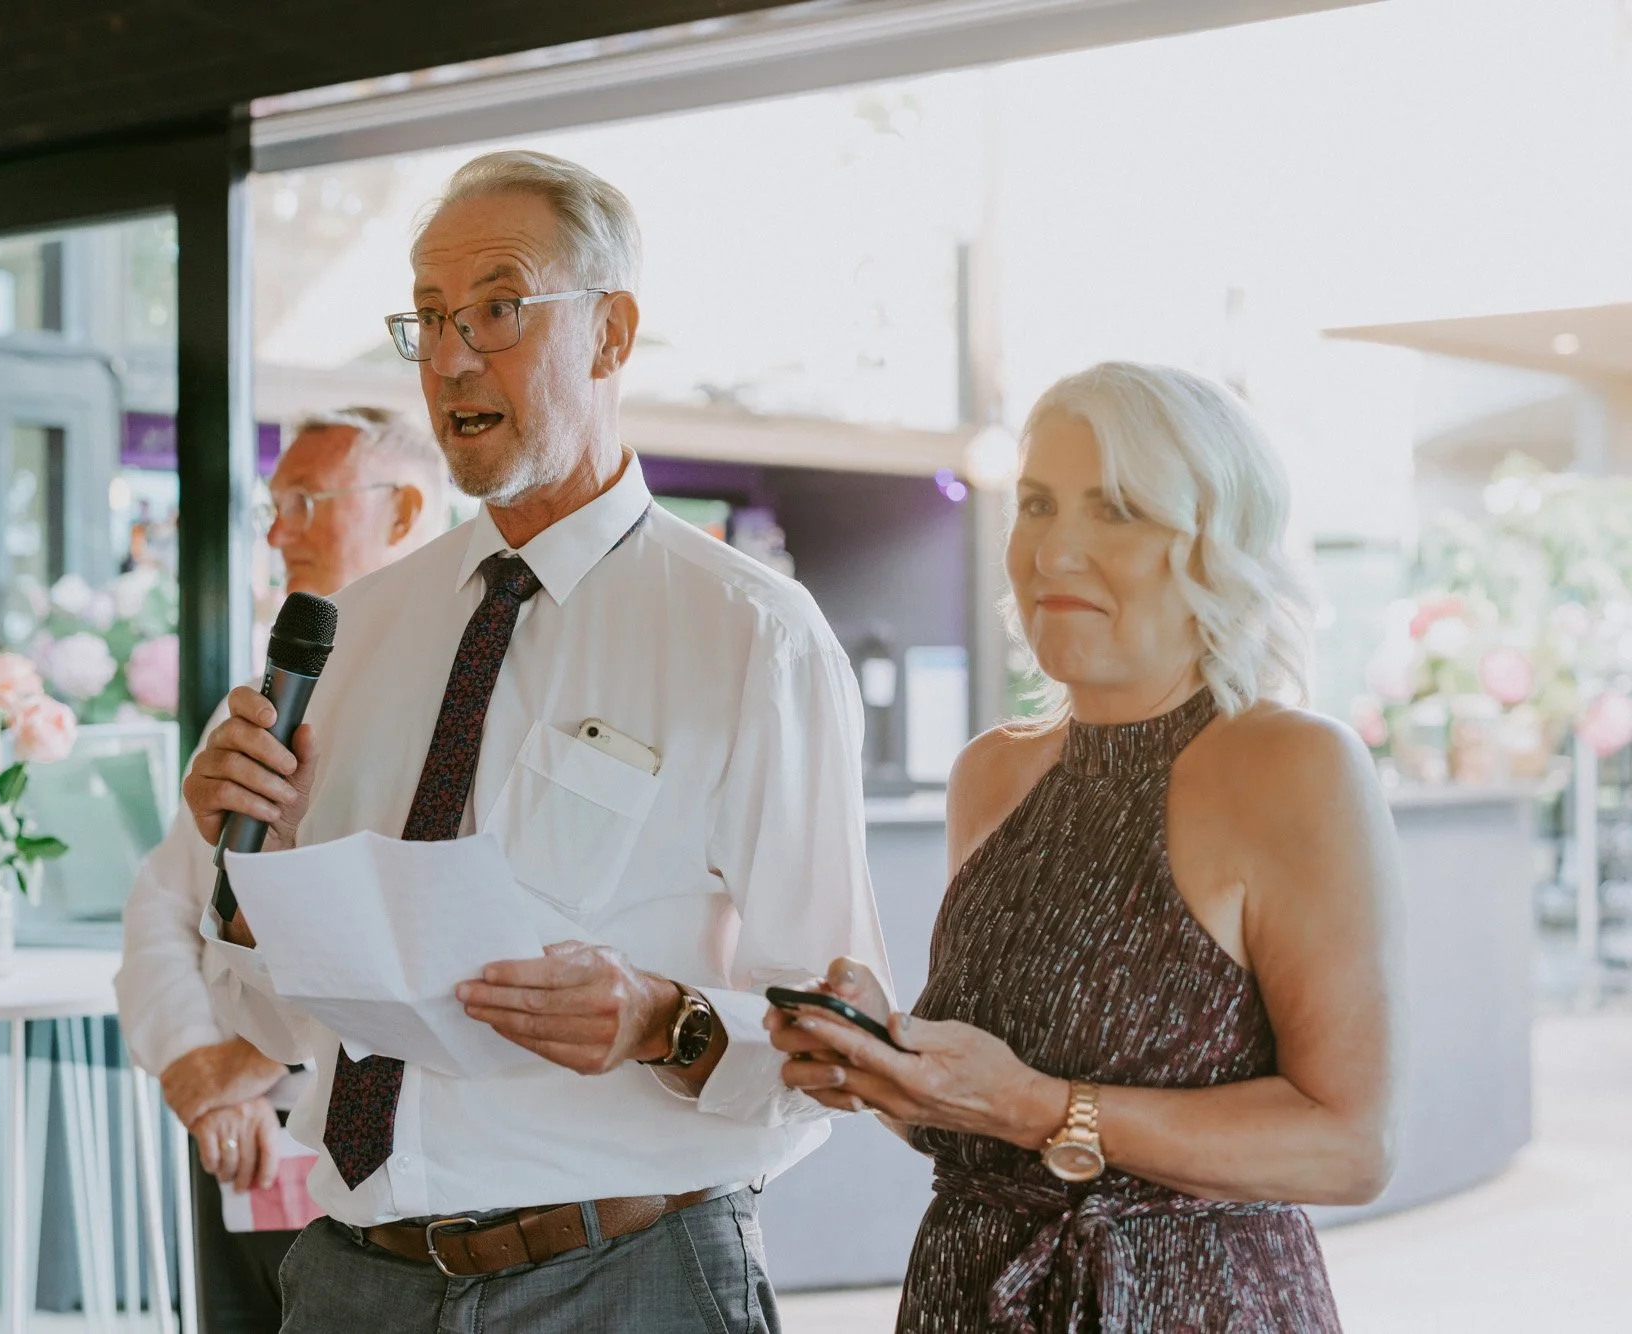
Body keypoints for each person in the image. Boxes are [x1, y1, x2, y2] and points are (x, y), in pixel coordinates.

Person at [181, 149, 889, 1334]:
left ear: (610, 334)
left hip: (622, 1277)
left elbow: (842, 1034)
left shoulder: (750, 636)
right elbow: (270, 1020)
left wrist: (669, 1018)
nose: (452, 357)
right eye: (430, 319)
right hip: (350, 1278)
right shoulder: (356, 630)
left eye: (499, 310)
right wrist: (245, 880)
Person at [772, 362, 1404, 1333]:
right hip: (965, 1294)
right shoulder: (991, 771)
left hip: (1192, 1305)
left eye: (1113, 510)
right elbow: (981, 1125)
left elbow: (1348, 1142)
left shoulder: (1289, 764)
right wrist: (890, 1065)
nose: (1054, 549)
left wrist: (1037, 1103)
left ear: (1211, 541)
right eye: (1036, 504)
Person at [115, 405, 449, 1334]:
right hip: (241, 1149)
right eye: (274, 503)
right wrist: (196, 1072)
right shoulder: (279, 687)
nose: (274, 531)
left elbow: (410, 940)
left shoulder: (458, 695)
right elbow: (166, 903)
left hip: (380, 1166)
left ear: (403, 508)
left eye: (305, 500)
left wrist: (248, 1066)